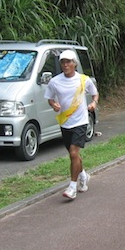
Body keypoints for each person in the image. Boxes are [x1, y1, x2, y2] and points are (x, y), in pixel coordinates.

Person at [45, 49, 99, 200]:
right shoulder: (55, 82)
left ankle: (72, 187)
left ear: (74, 63)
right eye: (63, 62)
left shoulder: (83, 80)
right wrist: (53, 104)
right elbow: (49, 98)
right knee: (73, 155)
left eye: (68, 62)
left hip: (81, 122)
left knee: (74, 153)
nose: (65, 65)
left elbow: (95, 93)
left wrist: (94, 102)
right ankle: (83, 175)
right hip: (65, 122)